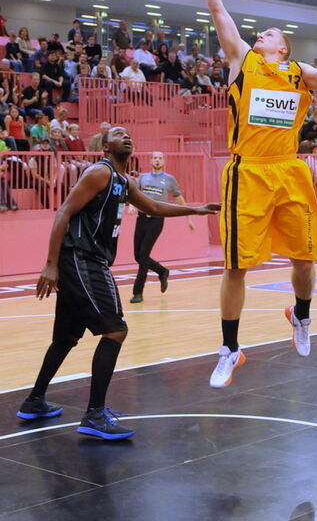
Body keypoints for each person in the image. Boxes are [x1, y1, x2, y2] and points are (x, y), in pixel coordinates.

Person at [194, 0, 317, 388]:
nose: (261, 33)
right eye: (260, 32)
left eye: (270, 33)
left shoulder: (299, 74)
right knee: (236, 266)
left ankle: (300, 315)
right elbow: (217, 8)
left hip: (290, 170)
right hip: (248, 170)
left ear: (283, 48)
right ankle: (229, 348)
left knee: (305, 260)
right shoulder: (243, 60)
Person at [16, 126, 220, 439]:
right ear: (106, 147)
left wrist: (196, 208)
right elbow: (63, 213)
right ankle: (94, 414)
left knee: (66, 338)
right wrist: (50, 264)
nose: (126, 137)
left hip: (85, 260)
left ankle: (34, 401)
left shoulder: (125, 181)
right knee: (116, 330)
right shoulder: (100, 173)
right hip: (82, 259)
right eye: (118, 134)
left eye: (128, 134)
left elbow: (153, 207)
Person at [130, 151, 195, 303]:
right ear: (151, 160)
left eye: (160, 158)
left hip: (157, 220)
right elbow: (134, 194)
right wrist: (132, 205)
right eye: (155, 158)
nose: (157, 161)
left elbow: (179, 199)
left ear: (163, 161)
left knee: (144, 256)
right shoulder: (143, 177)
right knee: (137, 256)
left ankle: (137, 292)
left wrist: (189, 218)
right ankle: (162, 271)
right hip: (141, 218)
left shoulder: (169, 179)